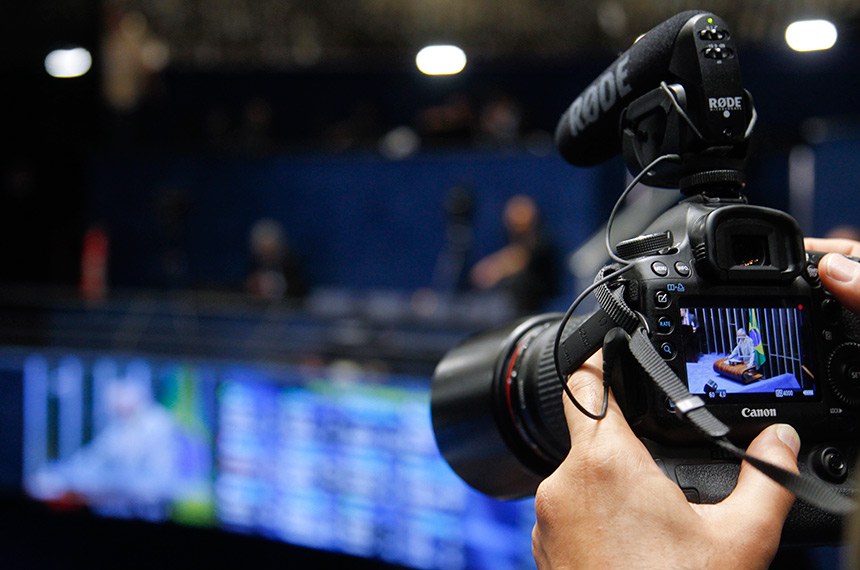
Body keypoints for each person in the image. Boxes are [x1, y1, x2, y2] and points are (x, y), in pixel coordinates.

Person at [532, 237, 860, 569]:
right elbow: (737, 354)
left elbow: (750, 357)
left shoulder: (754, 343)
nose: (743, 337)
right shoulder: (741, 341)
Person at [469, 194, 558, 313]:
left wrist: (493, 269)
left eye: (521, 214)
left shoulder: (542, 243)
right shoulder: (512, 240)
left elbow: (518, 259)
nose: (515, 221)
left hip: (536, 304)